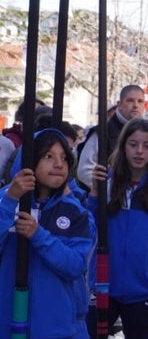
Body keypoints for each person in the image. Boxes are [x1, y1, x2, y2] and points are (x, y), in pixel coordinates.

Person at [0, 129, 94, 338]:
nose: (59, 164)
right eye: (48, 156)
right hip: (7, 322)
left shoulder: (74, 210)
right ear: (30, 161)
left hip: (55, 327)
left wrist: (38, 235)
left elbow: (76, 265)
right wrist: (10, 201)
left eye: (64, 157)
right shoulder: (7, 199)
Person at [88, 118, 148, 338]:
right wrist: (95, 194)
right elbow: (89, 230)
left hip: (143, 290)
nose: (139, 151)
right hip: (103, 285)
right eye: (133, 144)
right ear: (123, 146)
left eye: (147, 145)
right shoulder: (107, 182)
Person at [77, 84, 146, 190]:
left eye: (140, 101)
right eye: (130, 100)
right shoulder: (102, 132)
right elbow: (84, 170)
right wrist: (110, 191)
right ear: (120, 104)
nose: (136, 105)